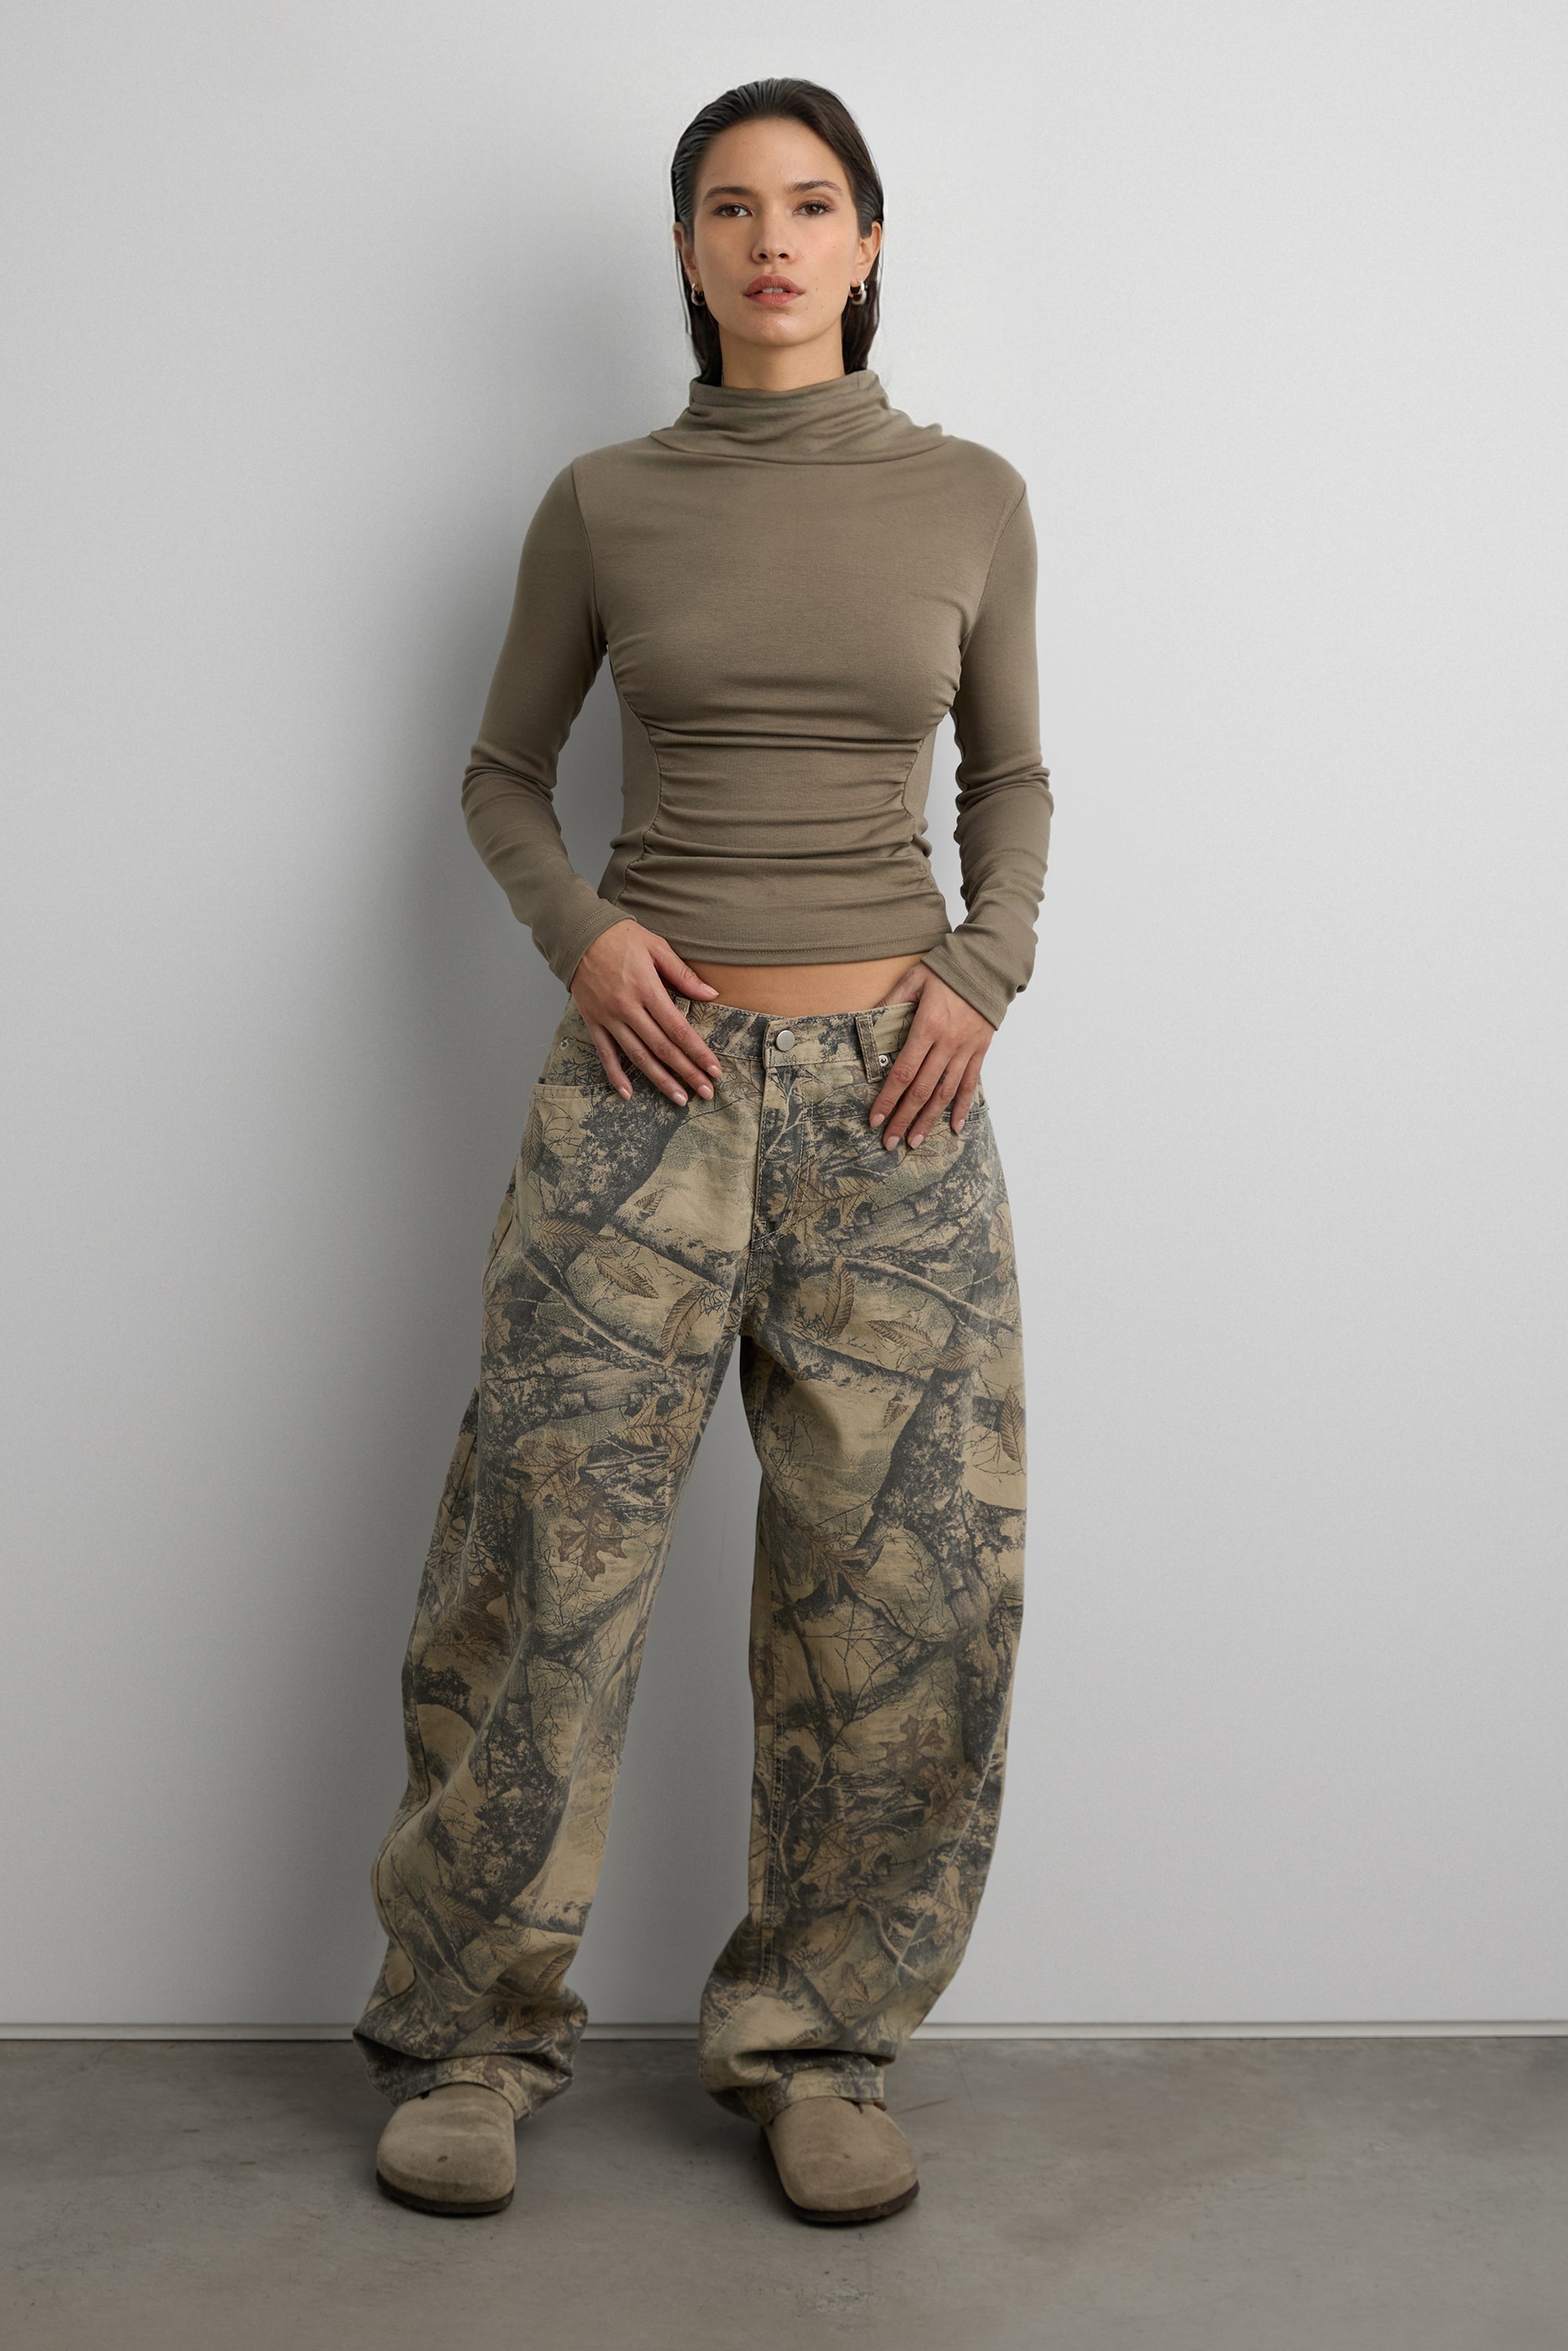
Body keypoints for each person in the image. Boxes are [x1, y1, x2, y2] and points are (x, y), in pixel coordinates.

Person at [352, 74, 1051, 2227]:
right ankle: (470, 2041)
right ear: (685, 251)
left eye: (811, 204)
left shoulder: (970, 497)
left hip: (900, 1102)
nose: (771, 240)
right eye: (731, 208)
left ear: (866, 244)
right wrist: (584, 938)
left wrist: (987, 967)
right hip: (641, 1091)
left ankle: (819, 2048)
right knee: (541, 1558)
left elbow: (1012, 780)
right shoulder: (606, 501)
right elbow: (500, 773)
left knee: (907, 1589)